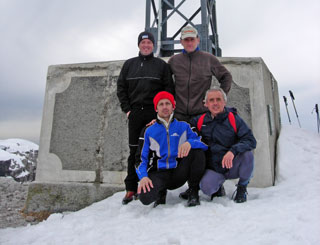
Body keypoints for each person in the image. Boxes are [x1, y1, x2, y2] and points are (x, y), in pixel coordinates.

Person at [117, 31, 174, 205]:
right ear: (139, 45)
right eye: (143, 43)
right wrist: (127, 110)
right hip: (135, 113)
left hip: (153, 113)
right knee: (134, 151)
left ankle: (158, 189)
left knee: (156, 151)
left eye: (149, 42)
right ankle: (131, 188)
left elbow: (168, 90)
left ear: (154, 45)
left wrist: (161, 114)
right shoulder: (129, 64)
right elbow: (121, 88)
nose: (146, 45)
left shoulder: (161, 65)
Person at [135, 91, 208, 207]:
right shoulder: (148, 130)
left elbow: (203, 142)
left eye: (168, 103)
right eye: (161, 104)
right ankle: (160, 192)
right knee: (145, 197)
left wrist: (189, 143)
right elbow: (140, 159)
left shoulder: (184, 125)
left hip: (178, 172)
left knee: (197, 152)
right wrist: (143, 176)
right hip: (159, 173)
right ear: (156, 108)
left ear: (173, 106)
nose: (165, 107)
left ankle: (193, 191)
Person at [184, 88, 257, 203]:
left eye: (219, 99)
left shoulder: (233, 119)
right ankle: (217, 187)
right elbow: (181, 128)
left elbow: (250, 140)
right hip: (215, 167)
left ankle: (242, 187)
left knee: (247, 155)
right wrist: (156, 122)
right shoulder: (199, 121)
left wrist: (233, 151)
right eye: (211, 100)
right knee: (207, 188)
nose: (215, 103)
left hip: (232, 164)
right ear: (206, 104)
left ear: (224, 102)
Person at [168, 25, 233, 122]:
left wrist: (219, 97)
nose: (189, 43)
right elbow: (165, 82)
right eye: (186, 40)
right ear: (181, 42)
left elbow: (226, 77)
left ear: (198, 40)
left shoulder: (208, 59)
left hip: (202, 115)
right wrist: (170, 99)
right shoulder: (174, 61)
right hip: (178, 115)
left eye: (192, 39)